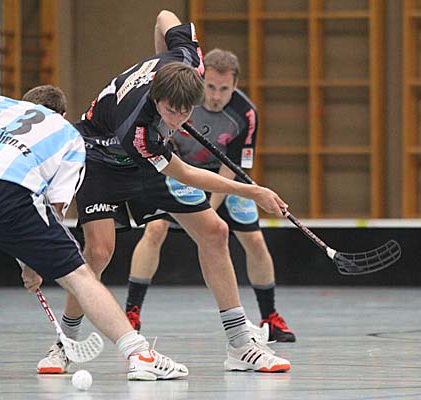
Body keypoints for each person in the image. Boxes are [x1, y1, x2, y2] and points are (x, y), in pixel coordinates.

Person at [36, 10, 291, 375]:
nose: (179, 120)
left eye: (186, 112)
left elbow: (164, 16)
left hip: (150, 156)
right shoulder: (138, 130)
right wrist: (253, 191)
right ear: (156, 99)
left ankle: (240, 345)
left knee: (215, 232)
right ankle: (65, 344)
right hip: (101, 159)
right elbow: (185, 173)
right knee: (99, 252)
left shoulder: (189, 60)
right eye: (171, 112)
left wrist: (162, 60)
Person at [0, 85, 188, 381]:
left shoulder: (1, 106)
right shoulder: (69, 135)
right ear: (62, 114)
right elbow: (54, 207)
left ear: (25, 103)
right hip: (14, 193)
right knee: (79, 276)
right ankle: (139, 354)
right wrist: (33, 262)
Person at [125, 49, 296, 343]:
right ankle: (131, 313)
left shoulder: (246, 114)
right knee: (155, 229)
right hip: (178, 171)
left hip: (222, 178)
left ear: (235, 85)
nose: (216, 96)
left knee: (255, 240)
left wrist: (208, 209)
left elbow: (232, 168)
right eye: (211, 87)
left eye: (224, 89)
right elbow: (166, 154)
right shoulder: (182, 101)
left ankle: (270, 317)